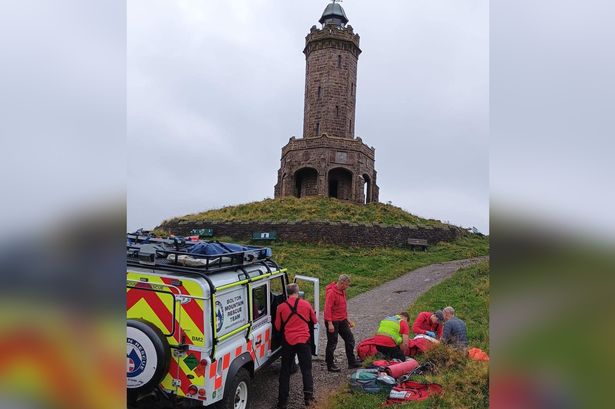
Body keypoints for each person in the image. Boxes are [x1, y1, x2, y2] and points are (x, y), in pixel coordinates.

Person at [274, 283, 318, 408]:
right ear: (298, 292)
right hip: (304, 341)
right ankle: (308, 399)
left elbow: (277, 326)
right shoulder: (306, 304)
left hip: (288, 341)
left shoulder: (281, 307)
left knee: (285, 371)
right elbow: (314, 321)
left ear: (287, 293)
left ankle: (282, 402)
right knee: (306, 370)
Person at [324, 274, 361, 372]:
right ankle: (330, 364)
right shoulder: (331, 293)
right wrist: (330, 323)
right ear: (341, 283)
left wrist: (347, 319)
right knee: (332, 343)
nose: (347, 287)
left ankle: (352, 362)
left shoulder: (342, 291)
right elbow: (327, 309)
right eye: (346, 284)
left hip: (342, 319)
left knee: (350, 339)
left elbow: (342, 307)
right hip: (332, 321)